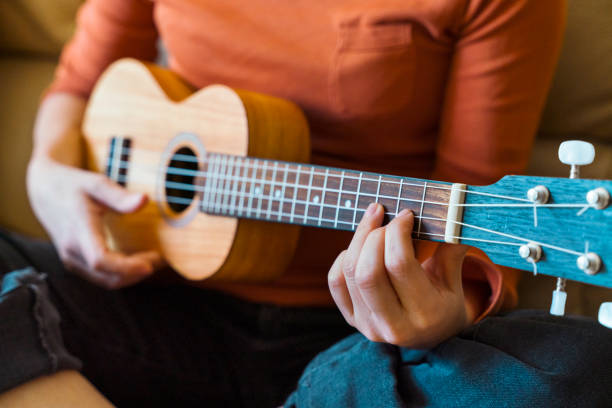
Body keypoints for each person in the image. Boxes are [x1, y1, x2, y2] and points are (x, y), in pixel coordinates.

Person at [1, 0, 611, 406]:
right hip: (151, 307)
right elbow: (78, 86)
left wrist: (439, 315)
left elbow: (478, 238)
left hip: (346, 340)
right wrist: (46, 177)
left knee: (581, 366)